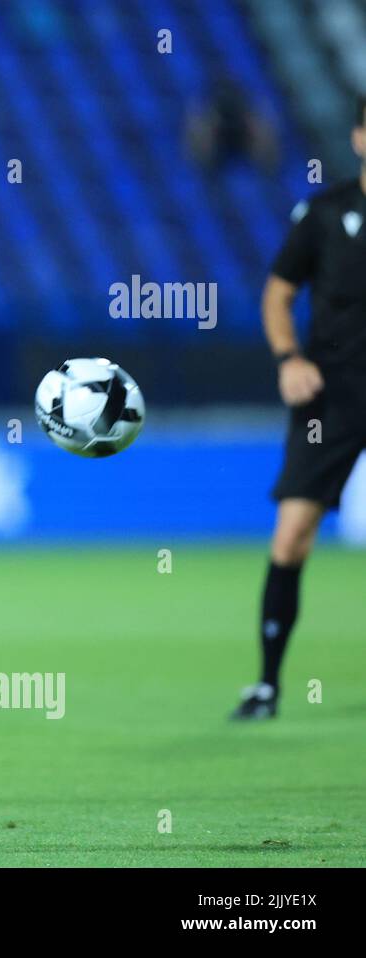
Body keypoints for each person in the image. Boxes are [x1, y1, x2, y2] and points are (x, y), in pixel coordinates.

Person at [231, 97, 366, 720]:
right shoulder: (324, 212)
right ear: (359, 137)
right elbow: (278, 296)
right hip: (330, 395)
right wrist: (289, 360)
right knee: (292, 536)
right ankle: (266, 685)